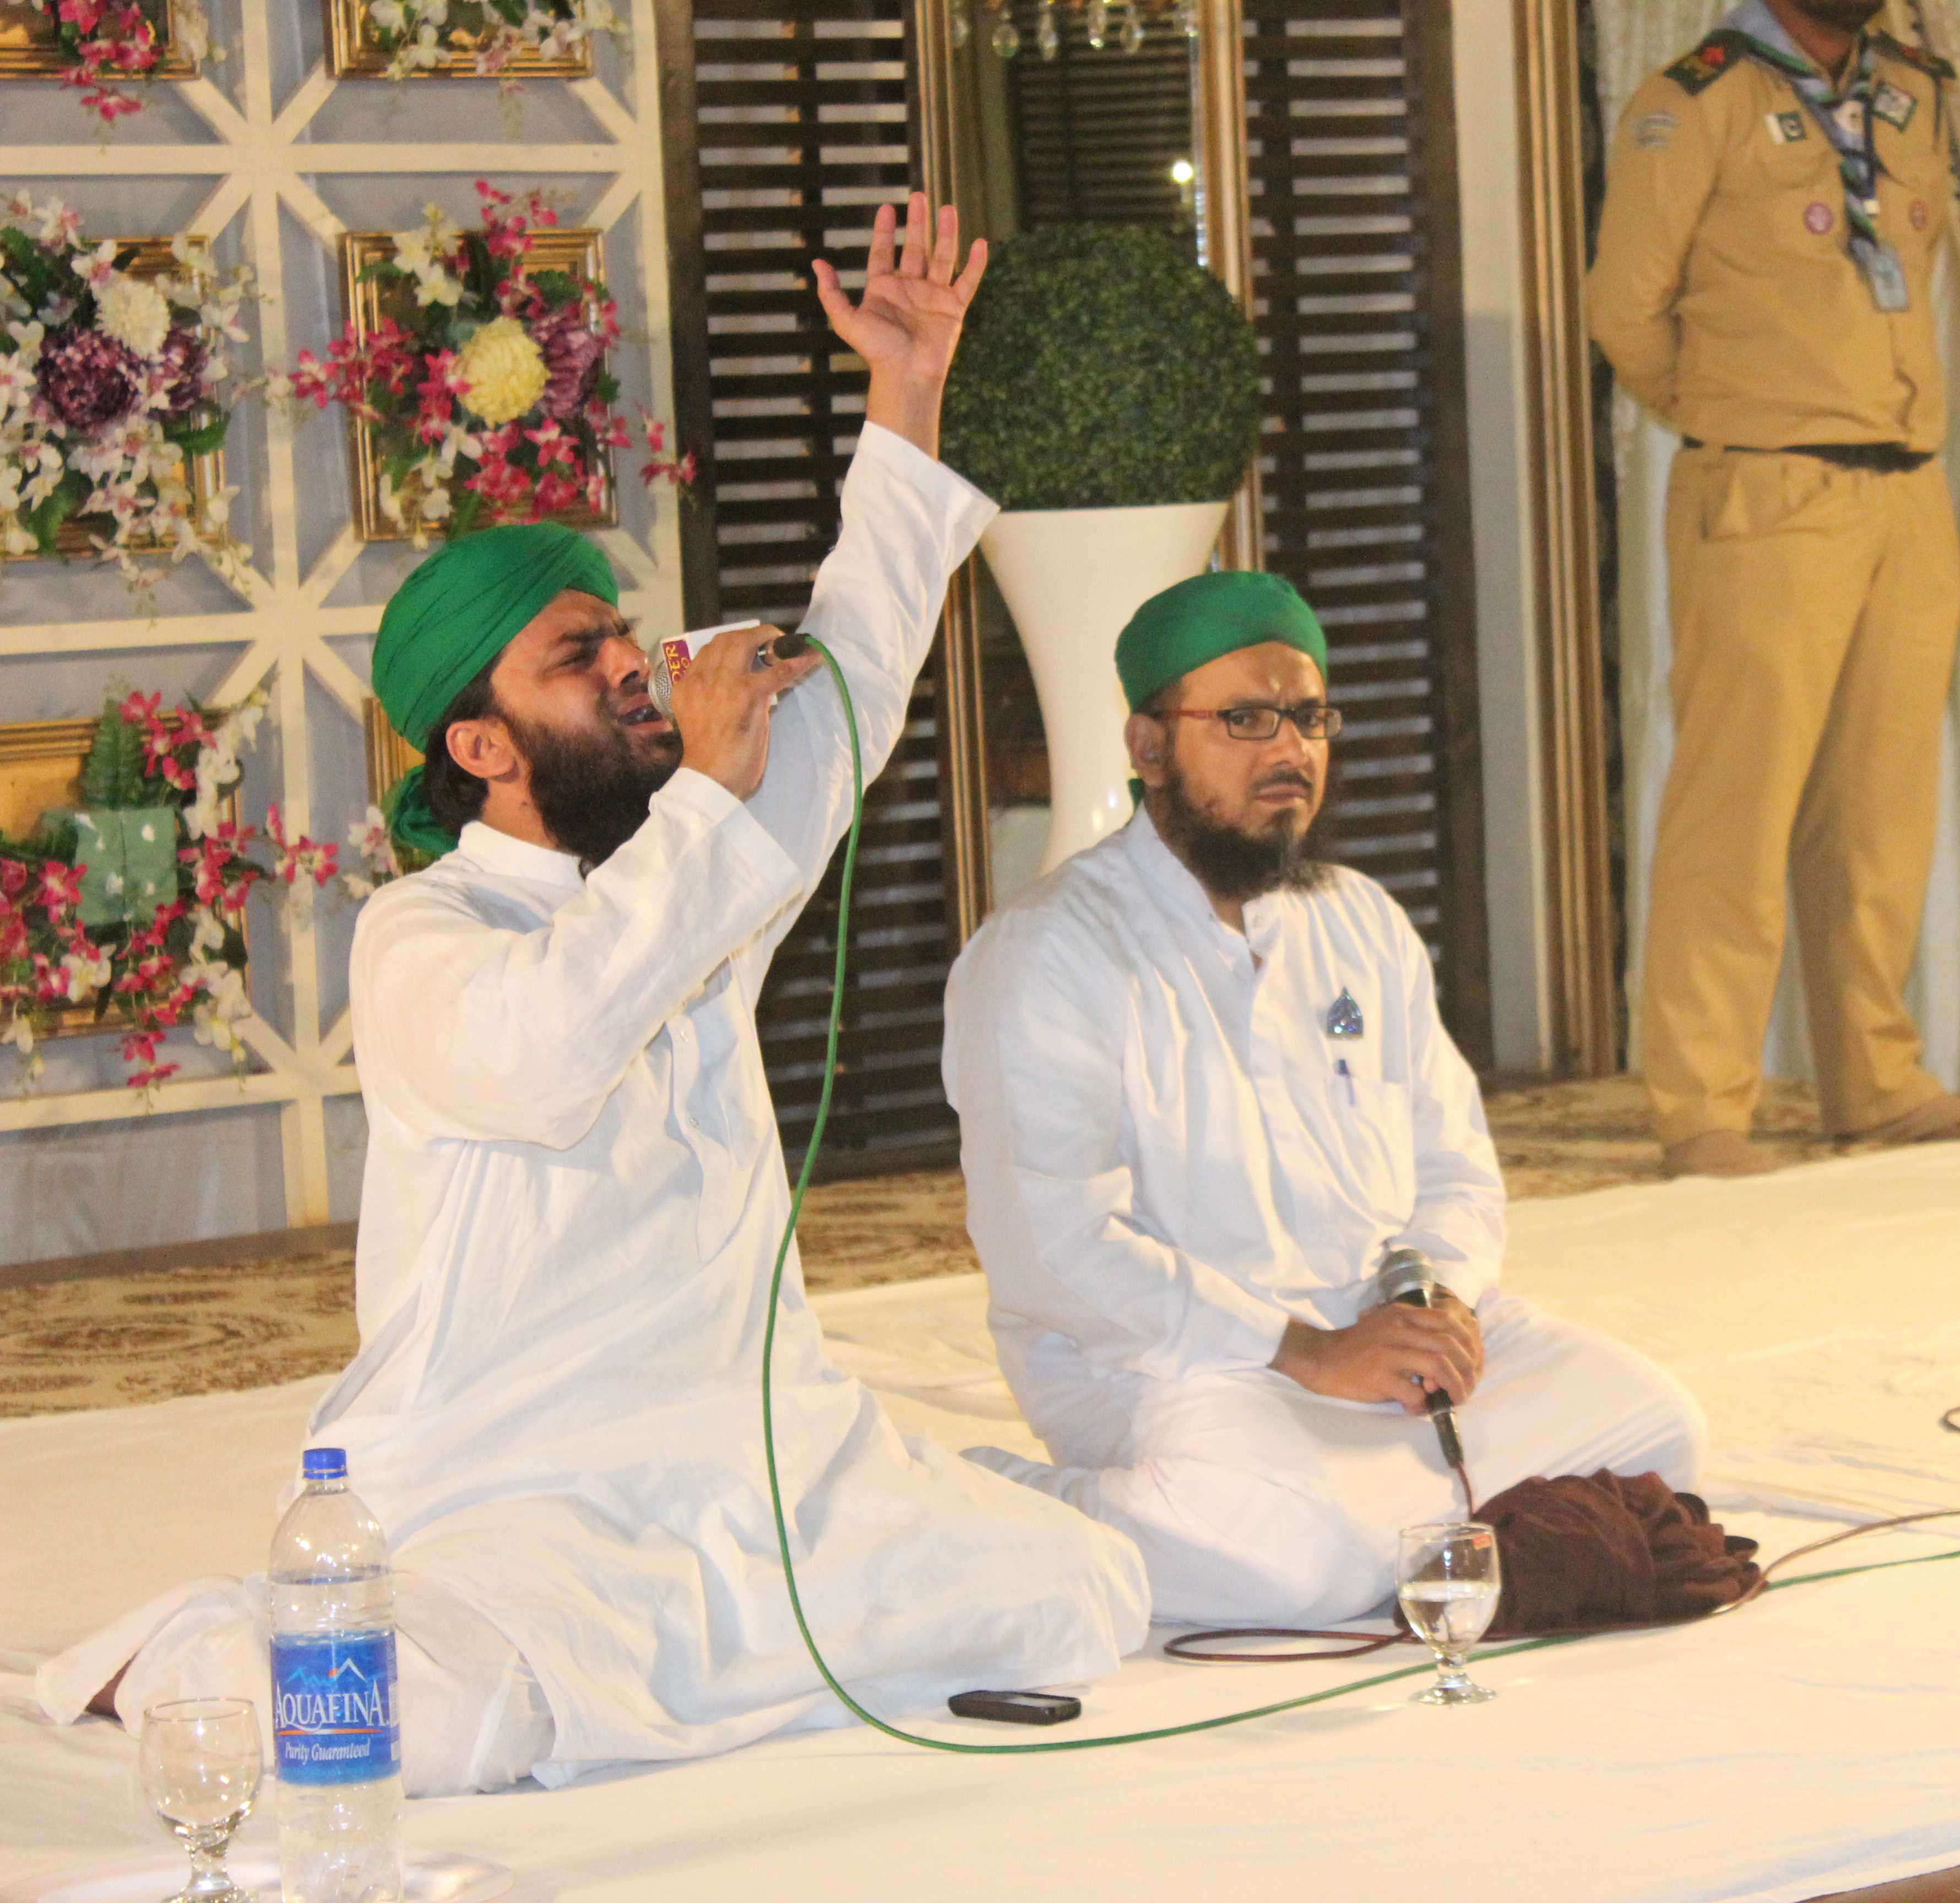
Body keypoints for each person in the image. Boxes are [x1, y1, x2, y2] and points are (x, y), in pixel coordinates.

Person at [37, 198, 1149, 1793]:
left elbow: (860, 656)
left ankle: (747, 1633)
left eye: (624, 635)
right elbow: (557, 1045)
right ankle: (197, 1642)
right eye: (581, 656)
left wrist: (907, 391)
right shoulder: (426, 939)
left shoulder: (697, 853)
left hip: (763, 1467)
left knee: (1083, 1594)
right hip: (526, 1484)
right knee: (442, 1727)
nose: (636, 666)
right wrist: (706, 802)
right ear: (482, 746)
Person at [944, 571, 1708, 1628]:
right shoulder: (1048, 952)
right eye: (1245, 720)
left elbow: (1454, 1165)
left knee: (1659, 1432)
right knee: (1289, 1568)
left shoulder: (1359, 922)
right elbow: (1054, 1248)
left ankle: (1371, 1516)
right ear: (1149, 746)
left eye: (1308, 719)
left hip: (1382, 1338)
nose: (1290, 751)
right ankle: (1000, 1504)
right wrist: (1304, 1351)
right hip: (1181, 1368)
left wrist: (1435, 1301)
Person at [1587, 0, 1960, 1177]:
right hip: (1769, 492)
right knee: (1737, 804)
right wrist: (1731, 418)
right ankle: (1702, 1107)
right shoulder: (1695, 100)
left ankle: (1876, 1082)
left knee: (1881, 812)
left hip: (1907, 487)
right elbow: (1624, 309)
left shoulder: (1915, 90)